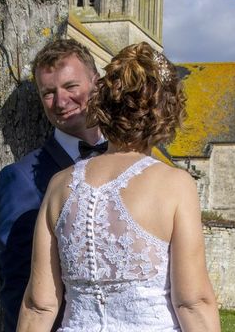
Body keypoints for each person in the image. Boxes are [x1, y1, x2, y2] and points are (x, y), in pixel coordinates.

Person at [18, 42, 221, 331]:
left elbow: (39, 305)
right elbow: (192, 302)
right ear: (166, 112)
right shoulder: (175, 185)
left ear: (102, 104)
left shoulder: (60, 185)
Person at [0, 39, 107, 332]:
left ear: (95, 82)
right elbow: (18, 289)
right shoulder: (20, 180)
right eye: (48, 93)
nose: (60, 101)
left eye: (71, 87)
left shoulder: (134, 161)